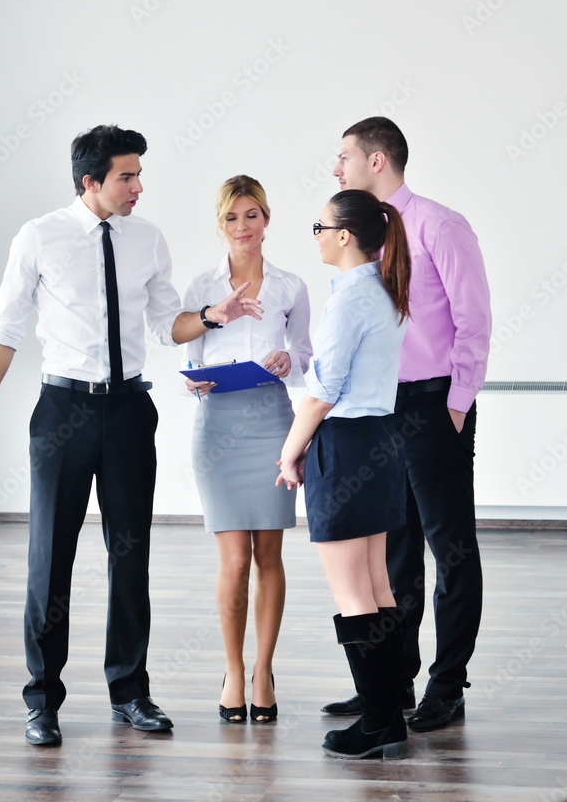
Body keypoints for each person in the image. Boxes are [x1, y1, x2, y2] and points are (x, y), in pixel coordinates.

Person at [0, 126, 263, 747]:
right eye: (127, 176)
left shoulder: (147, 239)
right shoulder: (39, 237)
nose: (138, 187)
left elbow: (165, 324)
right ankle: (42, 699)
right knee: (50, 556)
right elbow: (6, 326)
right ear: (90, 181)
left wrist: (211, 316)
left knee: (130, 554)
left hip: (129, 410)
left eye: (138, 175)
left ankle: (130, 691)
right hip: (64, 410)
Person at [322, 116, 492, 732]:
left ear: (376, 160)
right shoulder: (361, 235)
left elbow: (474, 319)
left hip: (433, 403)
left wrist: (458, 401)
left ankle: (447, 685)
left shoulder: (439, 226)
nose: (336, 168)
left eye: (344, 156)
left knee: (450, 545)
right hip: (378, 410)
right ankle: (390, 686)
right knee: (394, 553)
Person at [277, 189, 411, 759]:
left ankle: (379, 722)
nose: (315, 237)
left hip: (348, 446)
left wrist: (290, 452)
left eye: (319, 227)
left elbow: (323, 390)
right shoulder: (382, 289)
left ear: (344, 235)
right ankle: (388, 714)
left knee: (355, 592)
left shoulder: (351, 299)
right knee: (377, 585)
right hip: (378, 441)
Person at [182, 175, 311, 724]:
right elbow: (186, 355)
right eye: (232, 217)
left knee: (269, 555)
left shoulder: (290, 286)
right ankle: (233, 670)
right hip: (218, 426)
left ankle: (264, 670)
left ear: (266, 219)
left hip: (272, 421)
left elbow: (307, 356)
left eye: (252, 214)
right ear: (220, 224)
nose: (243, 226)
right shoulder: (202, 286)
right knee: (234, 561)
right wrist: (194, 380)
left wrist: (289, 361)